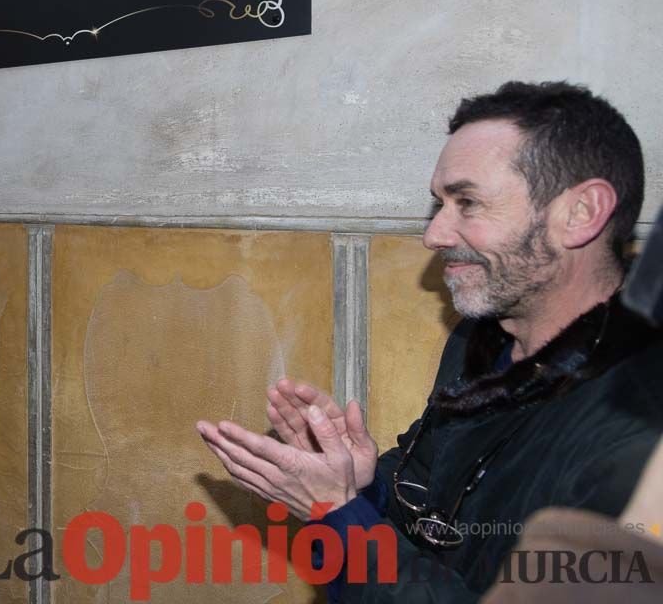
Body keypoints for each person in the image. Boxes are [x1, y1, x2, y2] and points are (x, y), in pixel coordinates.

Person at [198, 81, 663, 601]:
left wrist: (338, 515)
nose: (434, 234)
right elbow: (437, 503)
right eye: (439, 204)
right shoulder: (482, 338)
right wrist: (359, 483)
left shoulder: (642, 426)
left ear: (581, 213)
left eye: (467, 202)